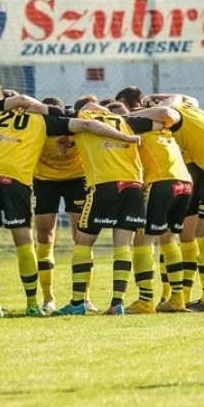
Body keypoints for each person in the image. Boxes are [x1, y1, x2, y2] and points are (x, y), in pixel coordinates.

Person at [0, 90, 141, 317]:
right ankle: (33, 303)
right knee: (25, 240)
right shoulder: (45, 119)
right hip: (17, 179)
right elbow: (87, 126)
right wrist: (127, 138)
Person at [133, 93, 204, 312]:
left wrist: (133, 115)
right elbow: (189, 98)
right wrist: (165, 96)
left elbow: (165, 112)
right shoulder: (188, 107)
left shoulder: (174, 114)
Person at [56, 97, 159, 316]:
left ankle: (77, 303)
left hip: (105, 184)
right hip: (134, 184)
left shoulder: (80, 116)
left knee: (83, 242)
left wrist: (67, 136)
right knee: (123, 245)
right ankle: (116, 304)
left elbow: (71, 126)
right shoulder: (124, 120)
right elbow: (158, 124)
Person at [110, 102, 193, 314]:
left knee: (142, 241)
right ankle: (177, 298)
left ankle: (145, 301)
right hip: (184, 182)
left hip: (160, 182)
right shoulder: (162, 128)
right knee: (168, 238)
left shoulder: (130, 127)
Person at [32, 96, 93, 314]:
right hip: (44, 181)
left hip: (76, 179)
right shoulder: (37, 125)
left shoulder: (76, 123)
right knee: (44, 236)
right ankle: (48, 298)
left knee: (82, 236)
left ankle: (84, 297)